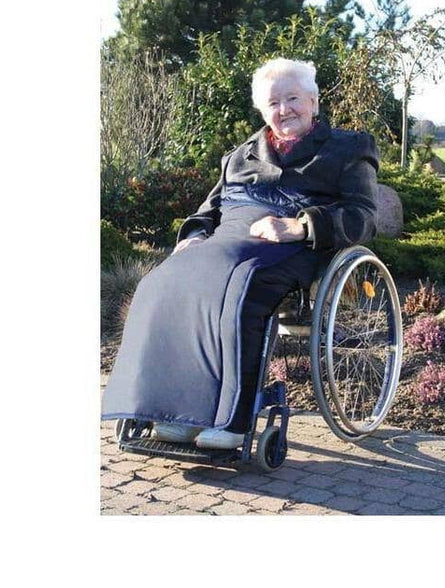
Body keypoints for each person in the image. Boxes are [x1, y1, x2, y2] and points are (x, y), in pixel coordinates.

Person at [101, 58, 379, 449]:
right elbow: (207, 211)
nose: (284, 110)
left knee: (241, 294)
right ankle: (177, 411)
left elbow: (363, 216)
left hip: (291, 246)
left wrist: (301, 225)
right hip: (225, 240)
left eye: (293, 98)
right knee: (160, 283)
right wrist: (194, 236)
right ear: (263, 111)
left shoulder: (348, 148)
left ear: (313, 101)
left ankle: (232, 420)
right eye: (273, 103)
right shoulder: (240, 155)